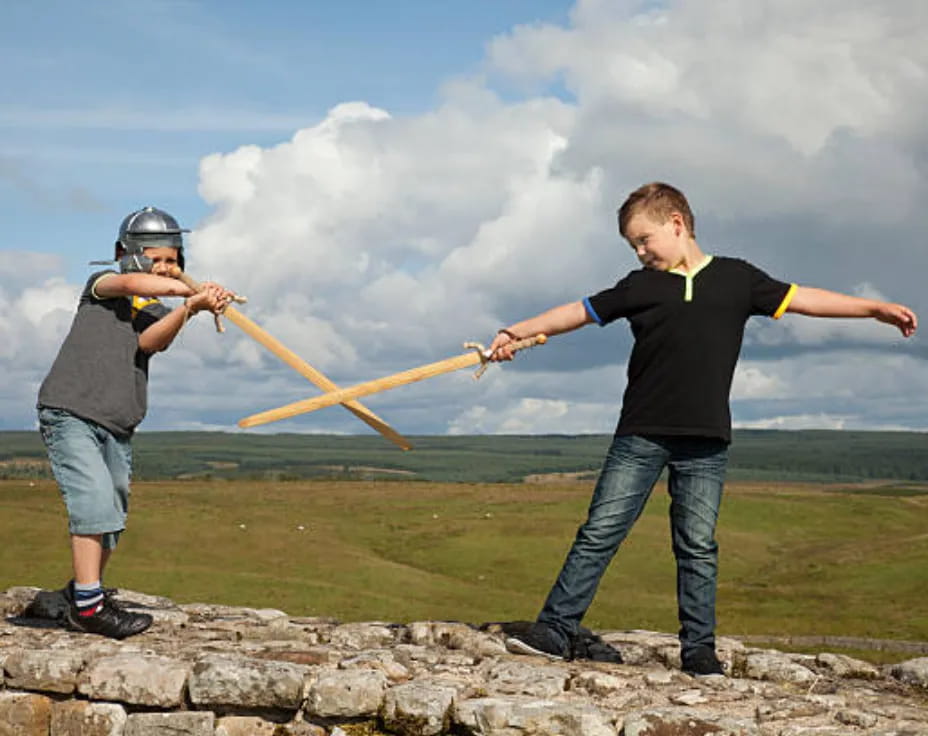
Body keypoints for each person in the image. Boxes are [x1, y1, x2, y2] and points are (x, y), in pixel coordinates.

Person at [489, 182, 918, 675]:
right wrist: (516, 332)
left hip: (705, 440)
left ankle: (699, 651)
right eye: (633, 245)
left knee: (696, 544)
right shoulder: (638, 286)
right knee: (601, 531)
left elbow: (804, 299)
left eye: (644, 239)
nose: (640, 250)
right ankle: (555, 630)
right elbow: (577, 312)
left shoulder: (738, 279)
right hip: (641, 432)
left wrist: (874, 309)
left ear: (677, 224)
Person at [37, 206, 233, 639]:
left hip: (117, 421)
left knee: (112, 507)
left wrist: (191, 309)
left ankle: (81, 593)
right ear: (124, 252)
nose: (166, 268)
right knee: (91, 498)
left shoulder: (154, 306)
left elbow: (151, 342)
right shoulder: (103, 286)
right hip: (71, 410)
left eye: (173, 260)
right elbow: (132, 281)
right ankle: (88, 610)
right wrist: (189, 293)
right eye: (155, 258)